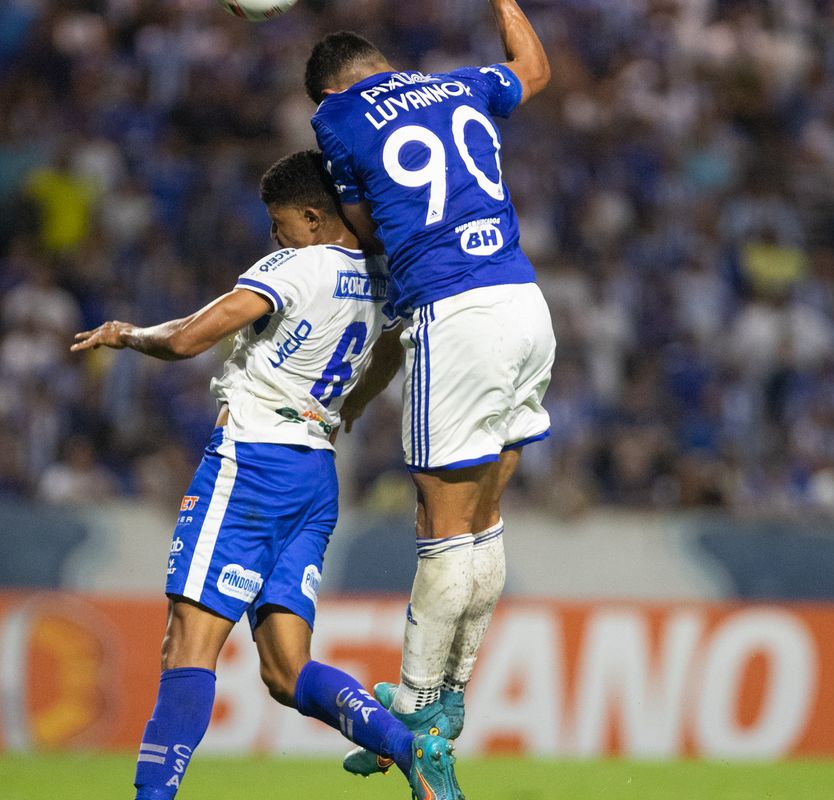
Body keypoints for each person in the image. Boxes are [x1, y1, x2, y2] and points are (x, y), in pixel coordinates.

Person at [71, 151, 460, 800]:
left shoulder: (295, 265)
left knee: (186, 648)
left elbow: (193, 338)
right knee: (285, 670)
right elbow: (392, 345)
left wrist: (132, 338)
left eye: (279, 224)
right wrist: (354, 405)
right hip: (314, 475)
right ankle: (410, 747)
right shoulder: (378, 280)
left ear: (312, 218)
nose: (274, 238)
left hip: (250, 463)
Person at [302, 1, 554, 775]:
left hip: (456, 311)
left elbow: (363, 223)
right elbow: (537, 71)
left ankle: (413, 717)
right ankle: (449, 695)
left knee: (440, 522)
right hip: (526, 304)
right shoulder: (458, 84)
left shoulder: (338, 116)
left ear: (327, 90)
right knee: (482, 520)